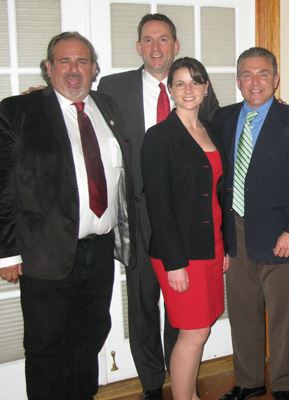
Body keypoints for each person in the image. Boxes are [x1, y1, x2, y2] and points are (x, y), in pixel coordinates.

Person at [0, 31, 136, 399]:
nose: (73, 69)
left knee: (88, 337)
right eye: (64, 61)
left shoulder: (106, 106)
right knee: (46, 345)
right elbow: (3, 184)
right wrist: (7, 252)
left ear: (94, 69)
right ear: (48, 68)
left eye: (82, 61)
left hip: (100, 251)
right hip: (44, 253)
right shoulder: (19, 111)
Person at [97, 14, 220, 399]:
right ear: (138, 47)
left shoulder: (201, 95)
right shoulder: (112, 88)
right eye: (148, 40)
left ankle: (177, 378)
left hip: (187, 223)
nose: (155, 47)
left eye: (163, 39)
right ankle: (152, 385)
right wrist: (39, 97)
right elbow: (81, 114)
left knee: (184, 316)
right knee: (143, 307)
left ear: (175, 45)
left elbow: (218, 136)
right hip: (138, 219)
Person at [215, 47, 289, 400]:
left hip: (282, 235)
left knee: (283, 318)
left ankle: (282, 384)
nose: (255, 81)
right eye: (247, 74)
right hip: (236, 232)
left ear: (276, 79)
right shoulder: (222, 118)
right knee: (243, 314)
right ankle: (249, 382)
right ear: (238, 80)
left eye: (263, 73)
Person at [140, 57, 227, 400]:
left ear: (206, 87)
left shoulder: (213, 131)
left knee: (201, 330)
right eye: (180, 83)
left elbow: (220, 194)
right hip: (179, 253)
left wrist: (225, 246)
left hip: (211, 246)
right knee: (193, 332)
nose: (188, 90)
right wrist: (174, 263)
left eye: (195, 82)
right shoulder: (159, 137)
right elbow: (158, 207)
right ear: (171, 90)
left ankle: (189, 395)